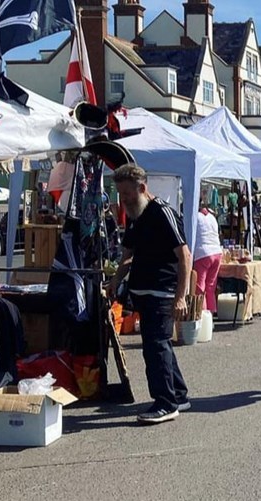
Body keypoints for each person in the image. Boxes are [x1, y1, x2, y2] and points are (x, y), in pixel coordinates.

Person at [108, 164, 191, 424]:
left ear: (142, 188)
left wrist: (181, 296)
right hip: (142, 292)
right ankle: (177, 394)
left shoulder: (163, 213)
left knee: (155, 347)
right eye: (120, 194)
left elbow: (185, 256)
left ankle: (165, 403)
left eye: (127, 194)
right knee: (159, 344)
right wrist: (115, 281)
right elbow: (127, 256)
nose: (124, 200)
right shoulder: (136, 216)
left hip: (162, 292)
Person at [193, 203, 222, 312]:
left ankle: (202, 315)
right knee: (210, 287)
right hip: (217, 252)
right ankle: (211, 314)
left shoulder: (195, 217)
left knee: (200, 288)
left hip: (203, 252)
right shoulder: (212, 217)